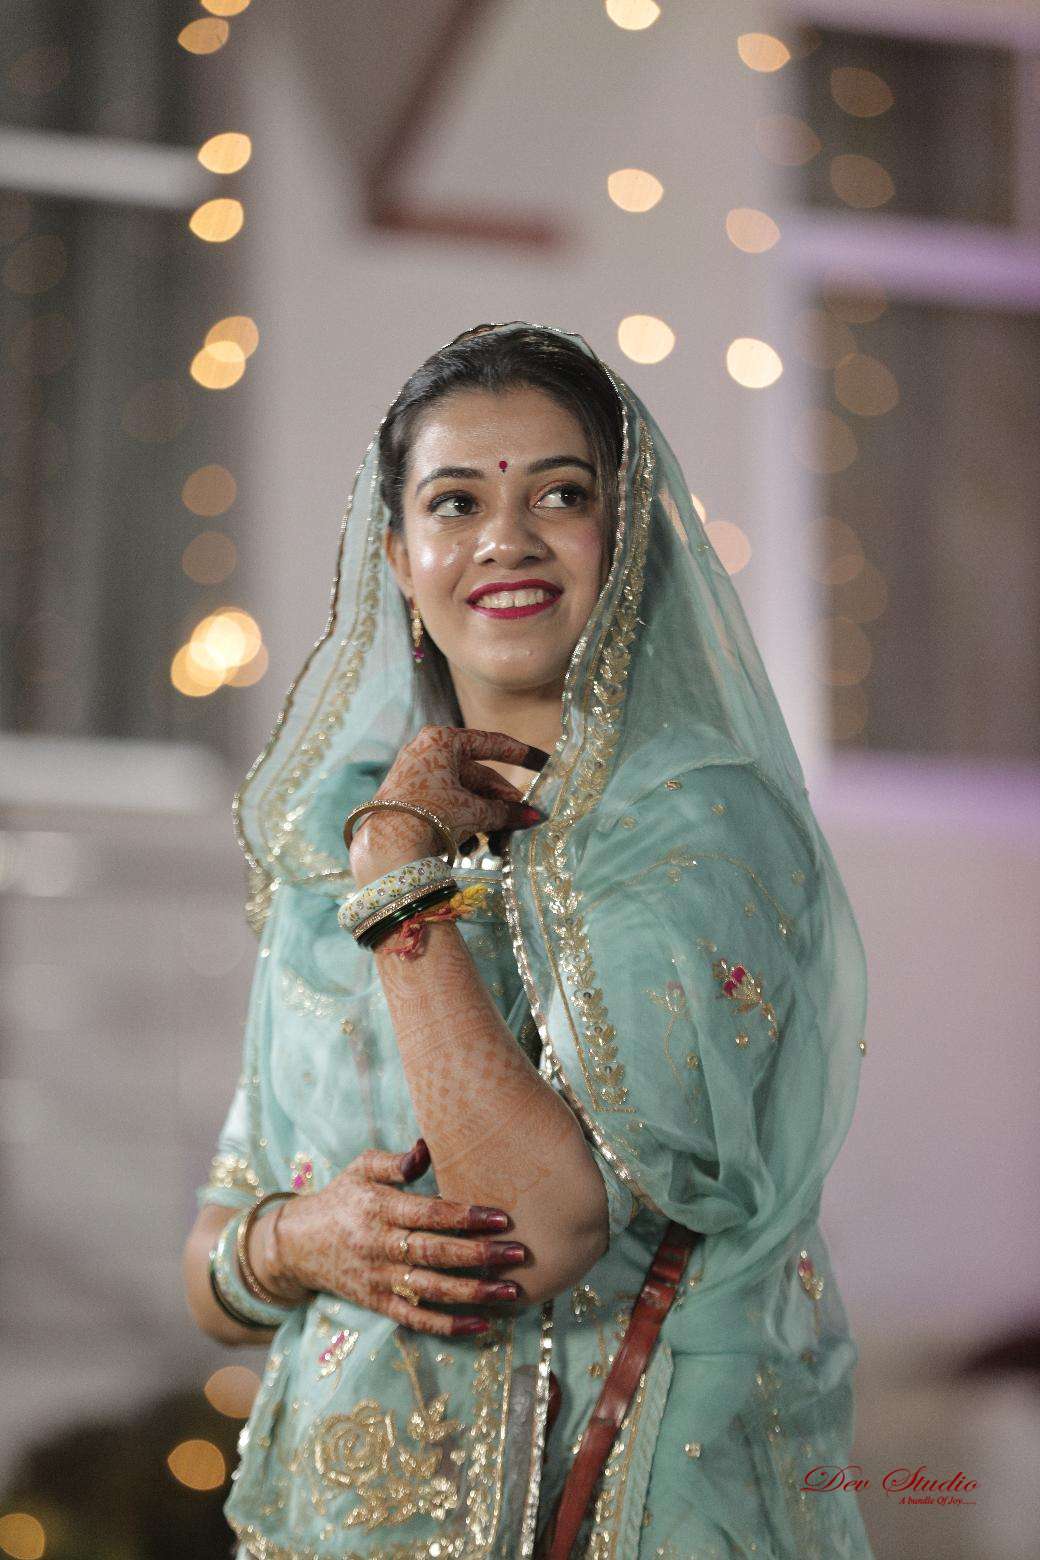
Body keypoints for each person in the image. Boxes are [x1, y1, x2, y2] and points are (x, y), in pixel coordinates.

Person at [181, 321, 875, 1559]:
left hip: (623, 1515)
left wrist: (400, 885)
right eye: (455, 502)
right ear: (398, 557)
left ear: (627, 538)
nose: (505, 538)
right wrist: (300, 1240)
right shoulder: (334, 835)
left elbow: (538, 1232)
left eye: (560, 495)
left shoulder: (698, 828)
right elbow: (213, 1267)